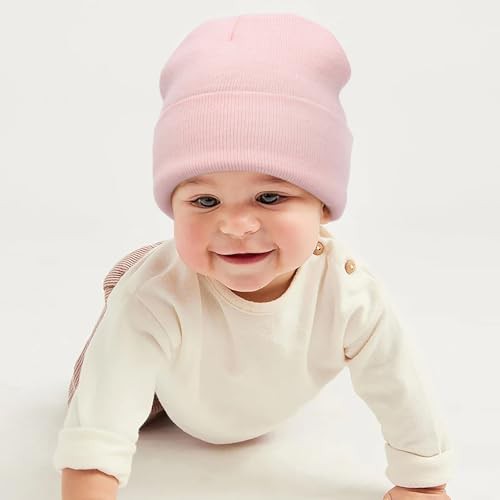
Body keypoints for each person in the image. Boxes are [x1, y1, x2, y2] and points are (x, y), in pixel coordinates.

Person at [53, 13, 455, 500]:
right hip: (168, 382)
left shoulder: (347, 291)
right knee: (106, 380)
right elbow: (98, 429)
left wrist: (422, 484)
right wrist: (90, 475)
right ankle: (125, 282)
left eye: (269, 197)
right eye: (205, 201)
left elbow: (400, 385)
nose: (236, 226)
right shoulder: (155, 299)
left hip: (242, 389)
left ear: (323, 206)